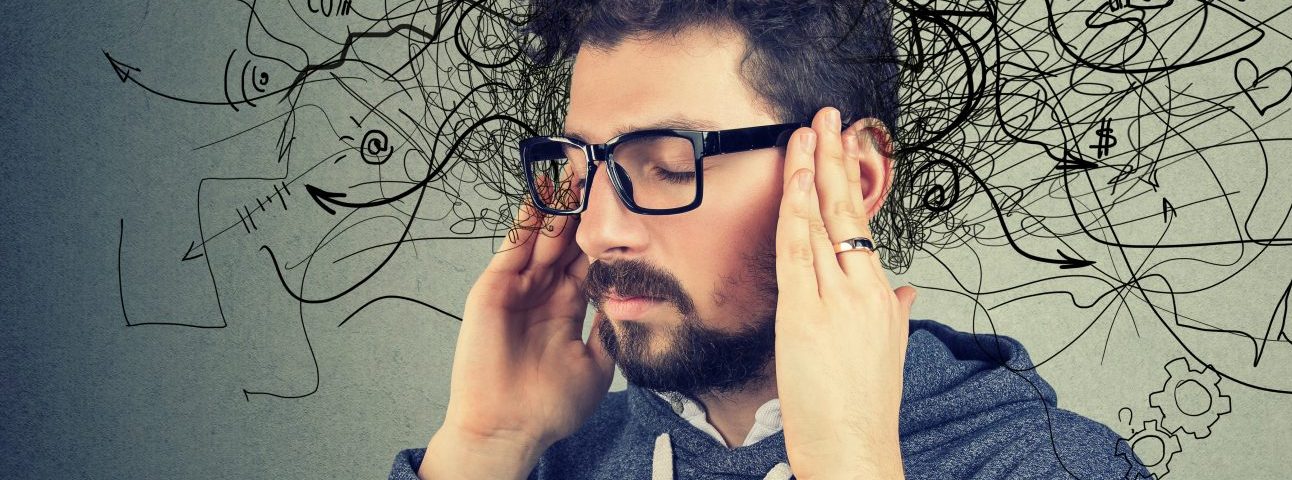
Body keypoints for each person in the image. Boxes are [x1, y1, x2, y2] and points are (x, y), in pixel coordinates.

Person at [391, 1, 1151, 478]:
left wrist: (849, 464)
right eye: (584, 168)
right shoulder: (547, 459)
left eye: (664, 165)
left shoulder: (1055, 465)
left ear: (849, 179)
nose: (596, 229)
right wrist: (487, 445)